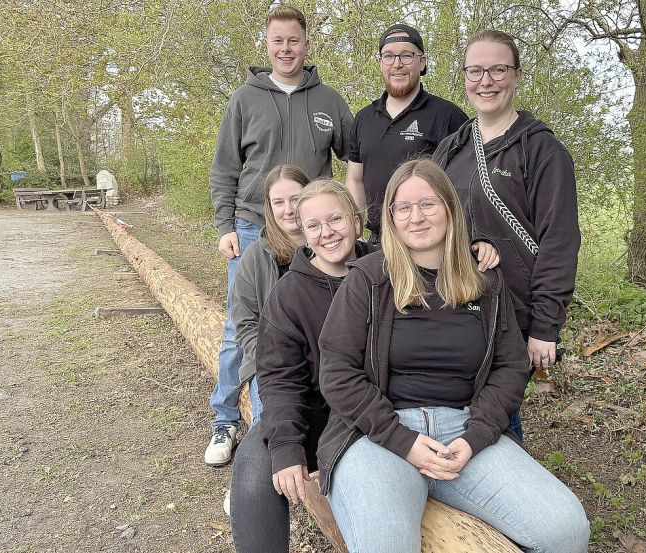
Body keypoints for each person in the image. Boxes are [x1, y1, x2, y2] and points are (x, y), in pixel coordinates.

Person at [316, 159, 590, 553]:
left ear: (449, 207)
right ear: (391, 217)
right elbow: (338, 371)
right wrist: (401, 439)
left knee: (566, 530)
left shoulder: (485, 280)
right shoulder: (369, 279)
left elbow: (510, 365)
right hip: (378, 434)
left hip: (463, 431)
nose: (416, 217)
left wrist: (477, 435)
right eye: (403, 208)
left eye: (427, 204)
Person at [205, 4, 353, 466]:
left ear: (306, 45)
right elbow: (225, 168)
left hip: (315, 230)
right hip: (254, 225)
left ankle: (317, 419)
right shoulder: (244, 99)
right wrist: (226, 225)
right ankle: (227, 419)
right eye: (278, 41)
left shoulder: (329, 101)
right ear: (267, 46)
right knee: (243, 324)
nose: (286, 48)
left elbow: (359, 157)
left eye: (294, 40)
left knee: (313, 324)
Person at [433, 30, 581, 440]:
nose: (486, 80)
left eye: (498, 69)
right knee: (460, 406)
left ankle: (506, 487)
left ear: (516, 75)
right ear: (464, 77)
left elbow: (559, 241)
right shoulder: (451, 149)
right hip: (455, 303)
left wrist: (544, 326)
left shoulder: (542, 152)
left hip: (512, 313)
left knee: (497, 412)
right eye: (476, 70)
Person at [229, 180, 375, 553]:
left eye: (335, 219)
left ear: (356, 221)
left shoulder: (386, 271)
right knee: (255, 466)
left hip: (378, 415)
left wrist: (478, 246)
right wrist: (286, 447)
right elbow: (279, 379)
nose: (326, 233)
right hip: (317, 414)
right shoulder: (289, 294)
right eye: (314, 226)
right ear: (303, 232)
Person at [220, 164, 309, 515]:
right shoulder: (256, 257)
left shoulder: (332, 248)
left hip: (325, 360)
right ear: (268, 209)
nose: (288, 209)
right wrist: (273, 364)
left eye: (296, 199)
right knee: (269, 416)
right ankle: (251, 487)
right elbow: (245, 323)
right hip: (272, 361)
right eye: (278, 202)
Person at [345, 23, 468, 243]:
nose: (397, 64)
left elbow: (467, 186)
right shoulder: (363, 118)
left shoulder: (448, 117)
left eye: (406, 56)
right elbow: (355, 180)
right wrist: (354, 232)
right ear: (380, 63)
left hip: (427, 241)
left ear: (422, 62)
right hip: (377, 244)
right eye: (389, 56)